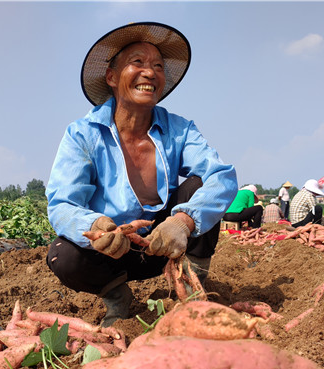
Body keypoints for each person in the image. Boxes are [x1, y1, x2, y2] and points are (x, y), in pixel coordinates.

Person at [44, 22, 238, 327]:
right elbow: (62, 204)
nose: (150, 72)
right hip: (114, 251)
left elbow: (222, 177)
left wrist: (183, 222)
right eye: (138, 62)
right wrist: (96, 227)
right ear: (111, 77)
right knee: (63, 255)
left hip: (166, 243)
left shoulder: (179, 129)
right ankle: (117, 298)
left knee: (200, 186)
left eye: (158, 66)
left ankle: (191, 290)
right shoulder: (82, 134)